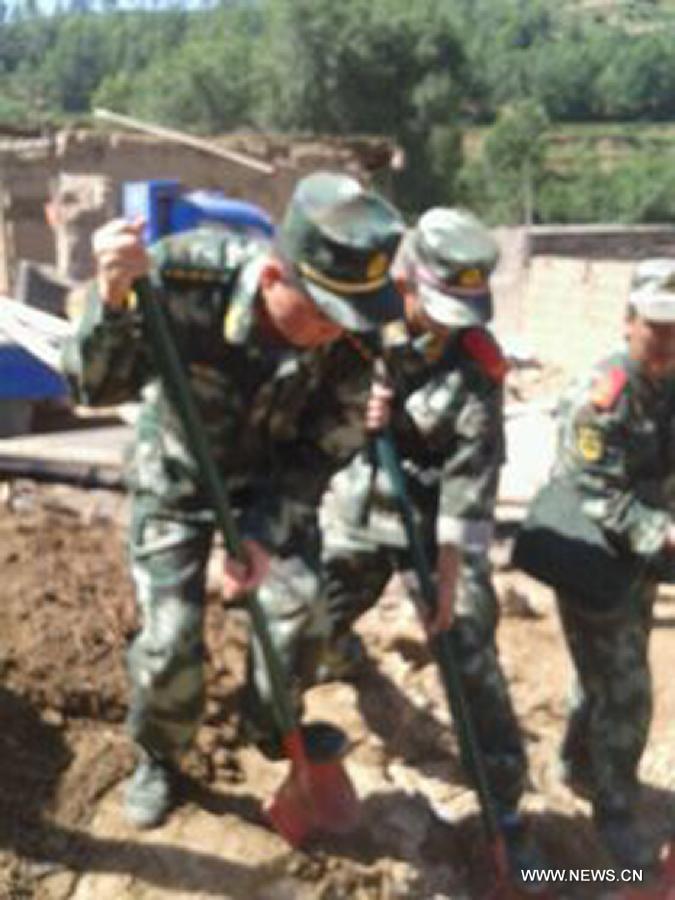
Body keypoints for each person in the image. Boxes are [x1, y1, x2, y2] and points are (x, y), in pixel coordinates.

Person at [62, 171, 404, 829]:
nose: (336, 332)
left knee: (301, 610)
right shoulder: (181, 280)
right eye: (321, 313)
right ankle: (160, 756)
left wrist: (260, 535)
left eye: (347, 317)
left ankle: (271, 723)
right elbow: (90, 389)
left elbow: (325, 447)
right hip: (177, 481)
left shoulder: (355, 330)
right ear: (274, 276)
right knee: (169, 645)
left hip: (272, 485)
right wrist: (110, 297)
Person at [317, 208, 538, 873]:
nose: (445, 324)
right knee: (302, 619)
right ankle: (330, 662)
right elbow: (298, 419)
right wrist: (355, 414)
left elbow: (471, 482)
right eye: (435, 305)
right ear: (405, 280)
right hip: (357, 499)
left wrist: (443, 585)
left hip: (434, 516)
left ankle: (503, 809)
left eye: (459, 311)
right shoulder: (352, 322)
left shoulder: (476, 365)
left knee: (467, 634)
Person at [549, 258, 675, 871]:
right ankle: (616, 809)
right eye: (658, 327)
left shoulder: (669, 385)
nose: (669, 341)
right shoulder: (601, 398)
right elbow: (595, 497)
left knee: (601, 674)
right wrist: (667, 533)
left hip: (641, 559)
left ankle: (577, 764)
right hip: (589, 553)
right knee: (626, 690)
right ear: (628, 322)